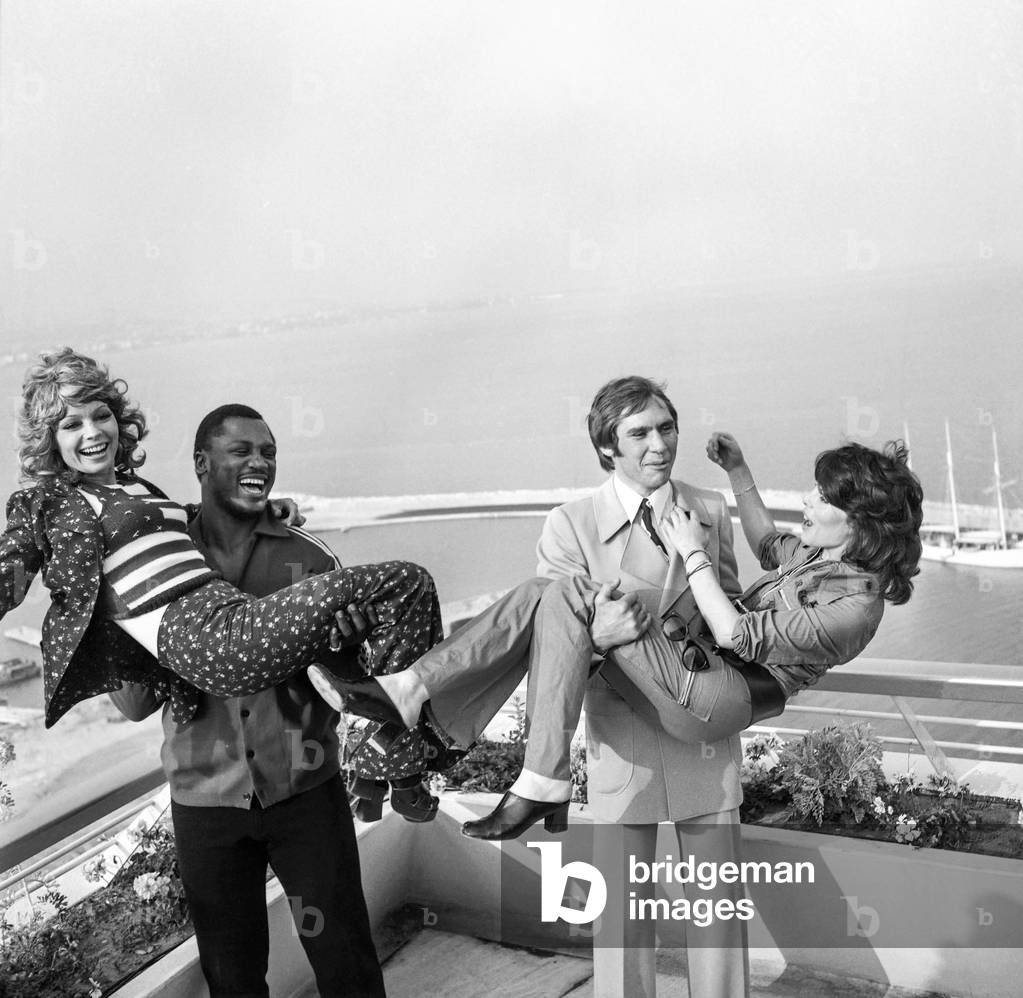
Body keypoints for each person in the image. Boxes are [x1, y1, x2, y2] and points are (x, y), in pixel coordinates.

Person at [313, 376, 753, 998]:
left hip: (703, 741)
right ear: (607, 449)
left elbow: (730, 618)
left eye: (666, 428)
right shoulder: (570, 526)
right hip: (623, 744)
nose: (659, 445)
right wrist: (600, 637)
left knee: (717, 922)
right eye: (639, 433)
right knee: (625, 930)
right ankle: (419, 696)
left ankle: (415, 694)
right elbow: (554, 649)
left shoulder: (707, 508)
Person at [0, 348, 443, 733]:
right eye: (72, 425)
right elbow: (10, 569)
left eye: (101, 415)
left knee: (394, 597)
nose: (93, 432)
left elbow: (186, 519)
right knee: (406, 583)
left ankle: (397, 759)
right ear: (51, 442)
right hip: (205, 639)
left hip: (228, 618)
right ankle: (399, 742)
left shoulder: (137, 491)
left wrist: (259, 506)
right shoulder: (52, 505)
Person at [109, 404, 390, 998]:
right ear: (201, 463)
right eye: (241, 451)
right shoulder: (157, 563)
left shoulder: (310, 558)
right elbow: (133, 706)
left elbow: (349, 685)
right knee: (232, 977)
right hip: (204, 803)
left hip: (307, 795)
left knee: (346, 961)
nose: (260, 462)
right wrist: (114, 618)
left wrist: (347, 647)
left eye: (268, 452)